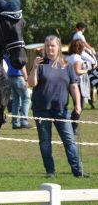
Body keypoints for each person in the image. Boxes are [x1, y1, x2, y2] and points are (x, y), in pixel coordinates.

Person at [28, 35, 89, 178]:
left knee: (70, 141)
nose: (49, 48)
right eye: (47, 46)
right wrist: (34, 68)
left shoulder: (67, 65)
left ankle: (78, 171)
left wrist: (78, 105)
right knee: (45, 142)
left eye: (52, 46)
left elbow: (74, 86)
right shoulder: (40, 63)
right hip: (42, 110)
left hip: (62, 110)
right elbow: (31, 83)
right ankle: (50, 171)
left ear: (59, 47)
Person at [5, 54, 31, 129]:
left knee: (16, 101)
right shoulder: (19, 54)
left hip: (9, 77)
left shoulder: (8, 55)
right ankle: (24, 122)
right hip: (18, 77)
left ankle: (15, 123)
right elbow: (22, 66)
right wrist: (26, 79)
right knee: (26, 99)